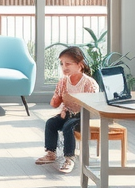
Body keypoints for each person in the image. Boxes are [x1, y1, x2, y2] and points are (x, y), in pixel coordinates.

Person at [36, 45, 99, 174]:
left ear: (80, 65)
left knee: (68, 126)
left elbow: (91, 106)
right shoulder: (63, 82)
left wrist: (71, 102)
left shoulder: (89, 83)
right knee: (51, 123)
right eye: (62, 64)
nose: (64, 67)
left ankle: (69, 158)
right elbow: (54, 104)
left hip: (85, 115)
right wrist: (58, 95)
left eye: (68, 64)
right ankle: (51, 153)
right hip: (69, 114)